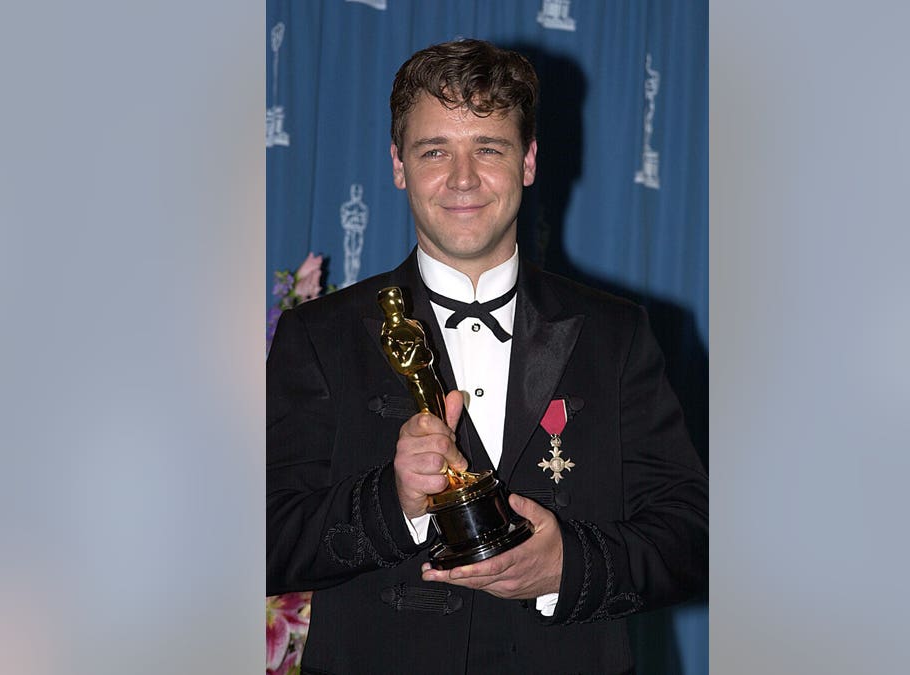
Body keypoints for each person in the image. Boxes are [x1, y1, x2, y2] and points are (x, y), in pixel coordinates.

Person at [267, 38, 707, 674]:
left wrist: (567, 565)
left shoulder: (617, 335)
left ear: (528, 162)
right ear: (398, 165)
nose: (463, 178)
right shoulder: (319, 335)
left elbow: (692, 537)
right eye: (435, 151)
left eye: (489, 149)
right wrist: (393, 502)